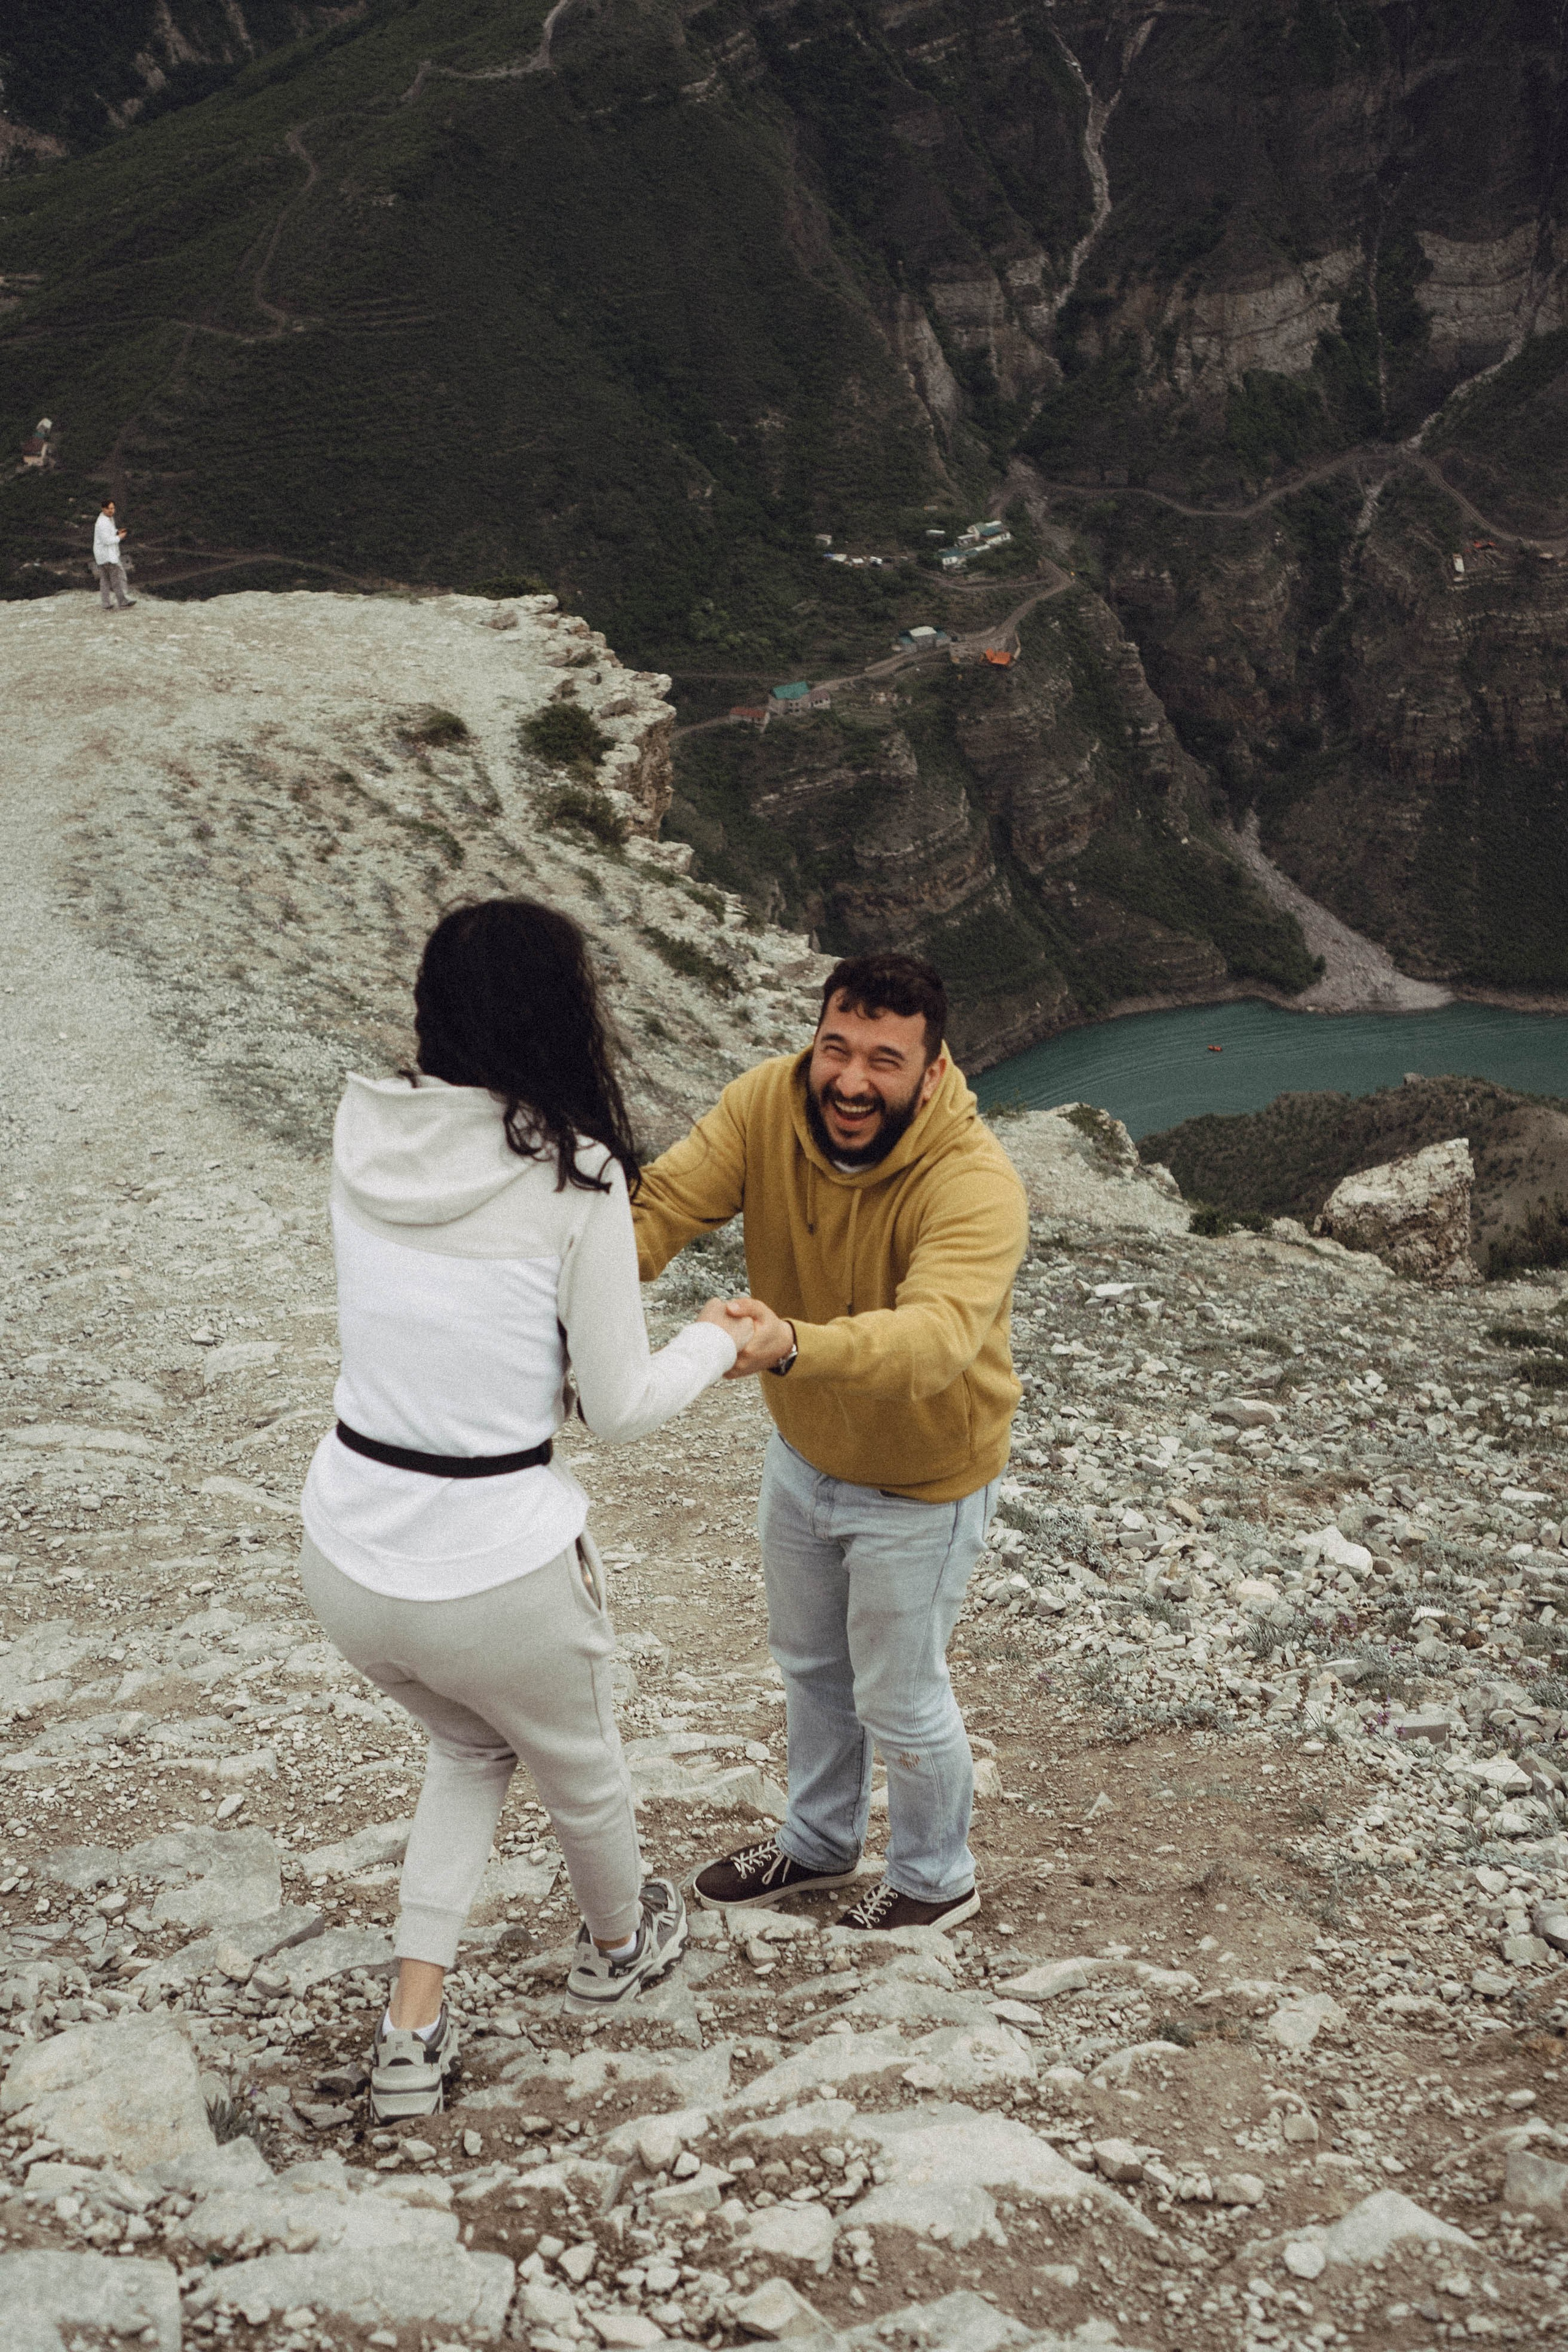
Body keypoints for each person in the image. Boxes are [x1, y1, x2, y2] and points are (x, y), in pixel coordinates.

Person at [298, 899, 759, 2120]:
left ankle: (413, 2027)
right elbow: (617, 1409)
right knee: (580, 1766)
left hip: (347, 1545)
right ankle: (619, 1948)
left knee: (467, 1743)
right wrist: (718, 1342)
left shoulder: (362, 1134)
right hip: (490, 1560)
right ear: (563, 1014)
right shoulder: (574, 1174)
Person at [632, 952, 1029, 1934]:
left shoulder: (975, 1182)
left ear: (931, 1073)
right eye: (835, 1048)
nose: (852, 1081)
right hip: (805, 1454)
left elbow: (936, 1340)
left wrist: (791, 1345)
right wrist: (563, 1298)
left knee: (898, 1694)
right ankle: (818, 1843)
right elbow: (663, 1208)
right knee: (811, 1666)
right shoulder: (766, 1105)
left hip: (923, 1482)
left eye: (885, 1061)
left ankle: (937, 1877)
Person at [92, 499, 133, 610]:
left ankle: (106, 604)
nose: (112, 511)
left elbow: (108, 533)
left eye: (113, 508)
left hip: (101, 556)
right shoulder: (103, 523)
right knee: (118, 578)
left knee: (105, 580)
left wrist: (116, 532)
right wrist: (119, 537)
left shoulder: (106, 519)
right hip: (108, 556)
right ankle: (123, 602)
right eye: (109, 509)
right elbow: (107, 540)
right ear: (103, 509)